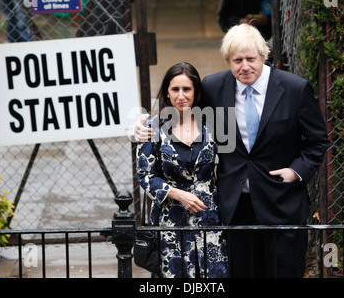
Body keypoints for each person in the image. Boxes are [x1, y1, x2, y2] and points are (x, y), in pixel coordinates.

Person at [136, 24, 329, 278]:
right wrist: (143, 123)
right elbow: (182, 108)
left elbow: (318, 141)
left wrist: (295, 171)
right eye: (237, 60)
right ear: (228, 60)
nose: (244, 66)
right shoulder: (214, 87)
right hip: (233, 207)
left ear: (264, 55)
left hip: (282, 203)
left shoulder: (295, 89)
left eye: (251, 59)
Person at [136, 62, 228, 278]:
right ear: (167, 92)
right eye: (175, 89)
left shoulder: (213, 125)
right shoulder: (153, 127)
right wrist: (176, 194)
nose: (180, 95)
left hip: (209, 216)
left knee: (211, 277)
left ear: (195, 92)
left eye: (186, 89)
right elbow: (145, 174)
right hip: (170, 218)